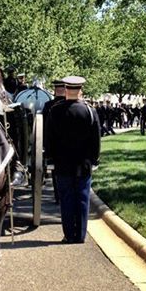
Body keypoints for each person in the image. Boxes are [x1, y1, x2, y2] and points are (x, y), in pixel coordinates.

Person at [47, 76, 101, 243]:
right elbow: (96, 139)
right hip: (83, 163)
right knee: (82, 199)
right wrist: (94, 159)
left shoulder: (55, 111)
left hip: (63, 163)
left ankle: (69, 235)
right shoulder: (90, 111)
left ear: (66, 89)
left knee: (67, 199)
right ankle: (81, 235)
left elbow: (50, 139)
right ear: (80, 90)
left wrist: (51, 158)